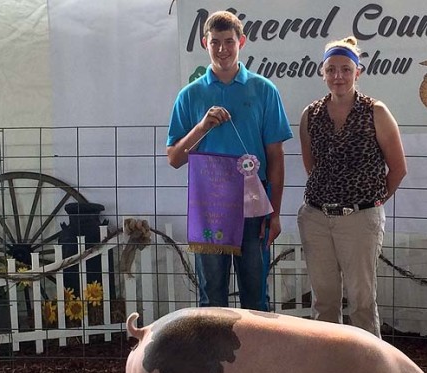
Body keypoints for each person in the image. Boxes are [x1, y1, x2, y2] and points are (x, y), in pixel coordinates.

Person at [166, 10, 293, 311]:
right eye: (215, 43)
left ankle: (258, 358)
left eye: (229, 42)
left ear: (242, 42)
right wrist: (203, 126)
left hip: (254, 202)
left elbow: (276, 156)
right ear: (204, 43)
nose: (222, 50)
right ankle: (213, 358)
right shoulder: (189, 95)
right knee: (211, 297)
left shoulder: (264, 90)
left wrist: (274, 214)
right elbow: (174, 158)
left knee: (255, 294)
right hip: (209, 204)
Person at [297, 37, 407, 338]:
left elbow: (398, 169)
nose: (338, 76)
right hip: (316, 218)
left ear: (358, 72)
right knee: (324, 302)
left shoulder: (376, 112)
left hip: (360, 219)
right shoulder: (310, 115)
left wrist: (369, 203)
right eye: (331, 69)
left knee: (361, 302)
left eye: (346, 69)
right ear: (322, 72)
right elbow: (312, 167)